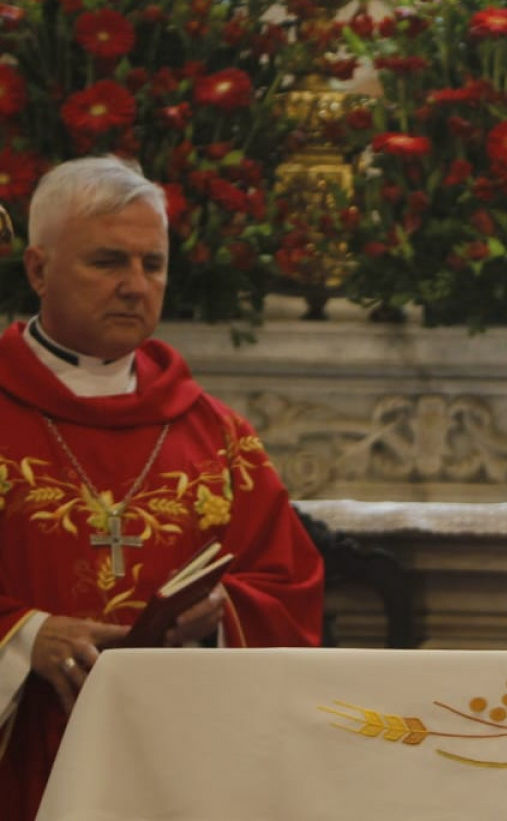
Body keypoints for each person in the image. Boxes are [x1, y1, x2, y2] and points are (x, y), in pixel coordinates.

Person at [0, 156, 324, 819]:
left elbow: (290, 587)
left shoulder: (217, 436)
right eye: (107, 261)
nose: (134, 285)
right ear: (37, 270)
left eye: (152, 264)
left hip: (175, 766)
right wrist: (26, 637)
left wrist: (222, 614)